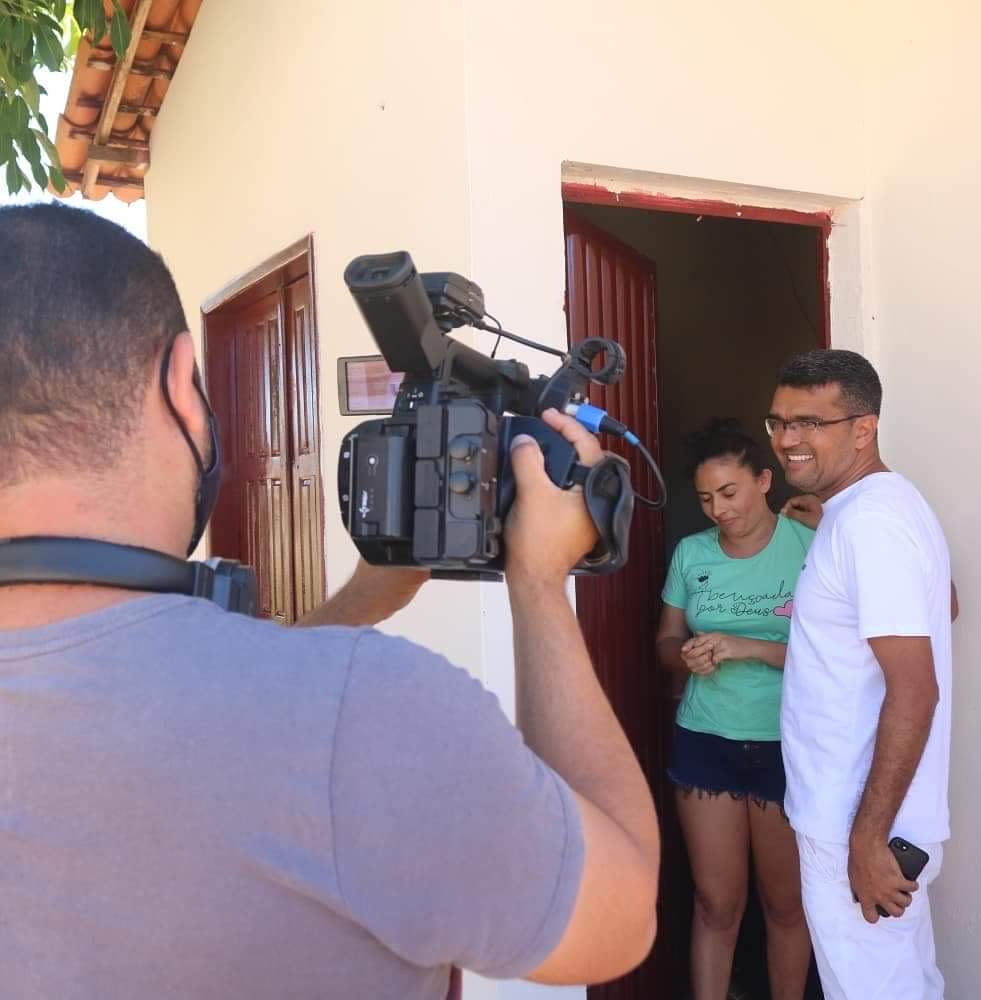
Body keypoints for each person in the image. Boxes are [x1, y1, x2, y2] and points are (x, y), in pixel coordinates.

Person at [0, 204, 659, 998]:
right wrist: (540, 582)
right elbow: (619, 917)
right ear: (180, 382)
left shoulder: (328, 712)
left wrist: (359, 601)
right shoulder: (362, 711)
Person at [768, 349, 952, 1000]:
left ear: (862, 429)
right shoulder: (872, 510)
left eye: (810, 422)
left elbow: (915, 687)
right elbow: (943, 602)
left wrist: (867, 839)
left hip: (861, 823)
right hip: (862, 816)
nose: (788, 439)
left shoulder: (871, 522)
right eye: (779, 422)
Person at [656, 418, 813, 1000]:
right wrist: (685, 658)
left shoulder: (811, 543)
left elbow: (842, 655)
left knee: (785, 905)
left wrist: (749, 647)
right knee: (717, 905)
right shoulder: (691, 553)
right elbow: (665, 642)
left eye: (729, 493)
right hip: (707, 740)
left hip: (788, 744)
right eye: (704, 498)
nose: (717, 509)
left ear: (764, 480)